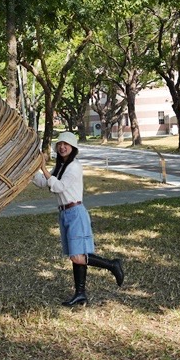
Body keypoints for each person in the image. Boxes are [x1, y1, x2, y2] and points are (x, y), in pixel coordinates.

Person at [33, 131, 125, 306]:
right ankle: (80, 293)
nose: (62, 147)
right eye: (59, 144)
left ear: (73, 148)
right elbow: (45, 183)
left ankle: (113, 265)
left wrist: (43, 168)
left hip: (75, 213)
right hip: (65, 214)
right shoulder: (61, 166)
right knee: (76, 255)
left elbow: (58, 187)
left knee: (77, 256)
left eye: (65, 144)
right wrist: (31, 171)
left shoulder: (74, 166)